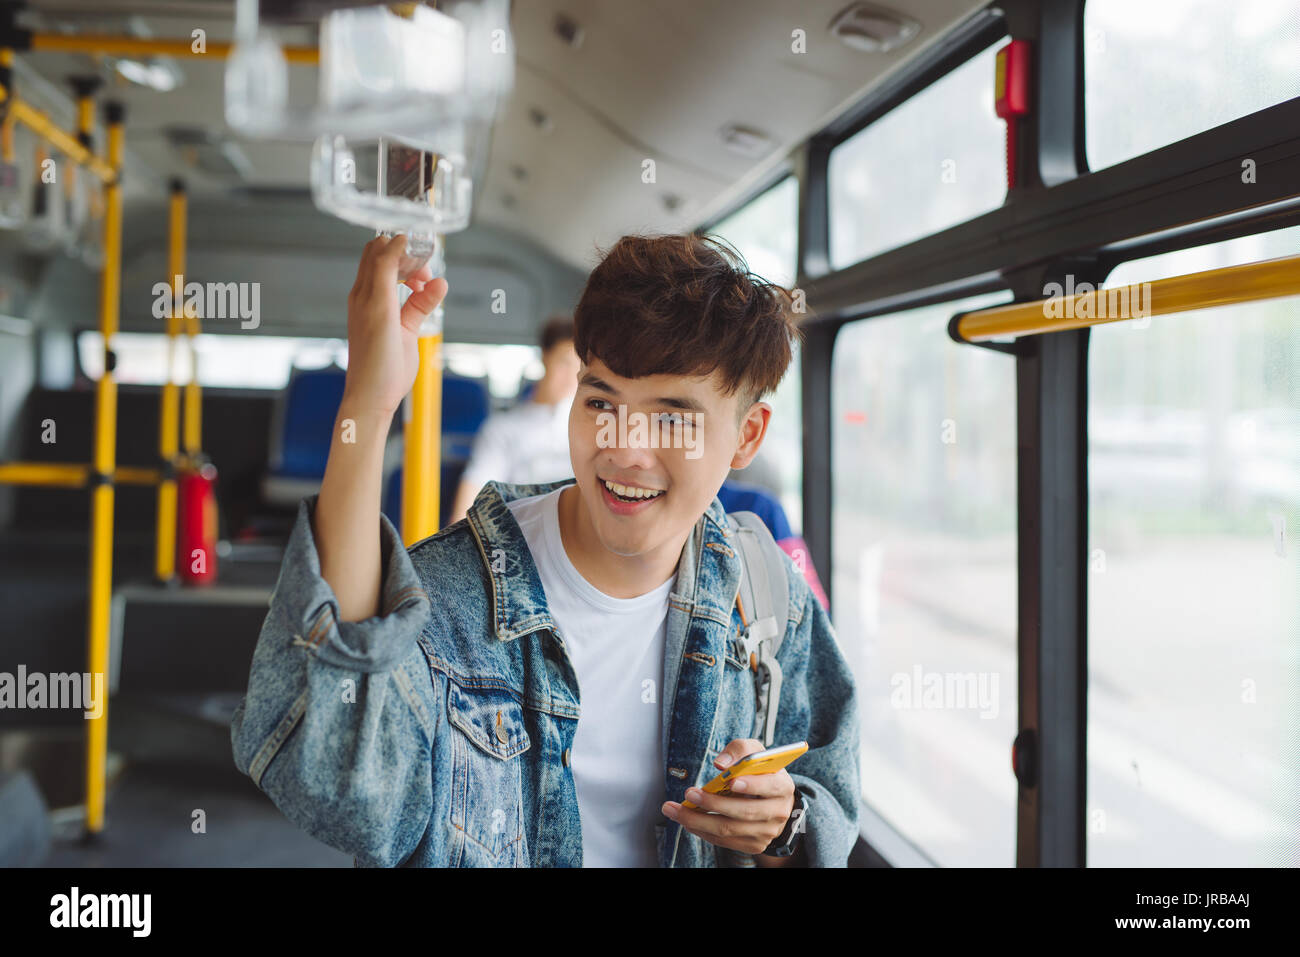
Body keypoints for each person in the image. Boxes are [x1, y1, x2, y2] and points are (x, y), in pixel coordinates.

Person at [231, 233, 860, 867]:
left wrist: (782, 829)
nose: (625, 450)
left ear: (746, 436)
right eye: (600, 401)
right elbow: (335, 785)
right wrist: (368, 399)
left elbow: (827, 804)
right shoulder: (451, 595)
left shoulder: (766, 597)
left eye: (672, 418)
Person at [448, 316, 579, 524]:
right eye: (564, 362)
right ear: (545, 358)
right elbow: (471, 499)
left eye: (580, 366)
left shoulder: (590, 428)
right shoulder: (503, 429)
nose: (572, 375)